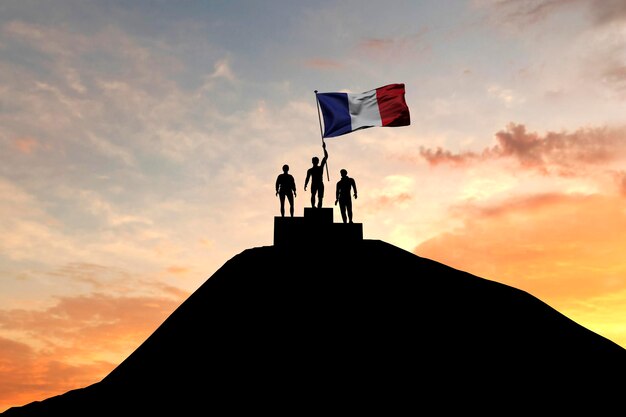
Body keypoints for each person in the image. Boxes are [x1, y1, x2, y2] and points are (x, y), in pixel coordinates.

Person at [304, 142, 328, 208]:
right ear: (312, 162)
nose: (315, 162)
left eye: (316, 161)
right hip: (314, 184)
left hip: (319, 183)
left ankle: (319, 207)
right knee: (313, 195)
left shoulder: (320, 168)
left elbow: (326, 157)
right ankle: (313, 206)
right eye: (314, 161)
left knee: (320, 197)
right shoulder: (310, 170)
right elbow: (307, 178)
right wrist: (305, 184)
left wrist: (324, 148)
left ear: (317, 162)